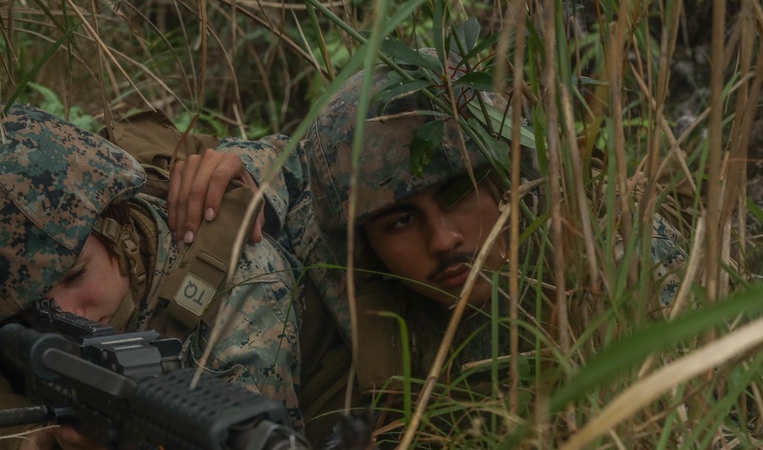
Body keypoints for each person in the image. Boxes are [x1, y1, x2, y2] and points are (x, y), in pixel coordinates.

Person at [168, 50, 689, 406]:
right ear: (363, 238)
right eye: (400, 221)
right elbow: (301, 162)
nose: (443, 240)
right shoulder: (339, 246)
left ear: (506, 181)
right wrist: (242, 166)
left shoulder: (612, 257)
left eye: (458, 195)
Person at [0, 104, 305, 450]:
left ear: (117, 224)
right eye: (30, 306)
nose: (61, 314)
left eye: (75, 275)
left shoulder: (241, 278)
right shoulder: (5, 305)